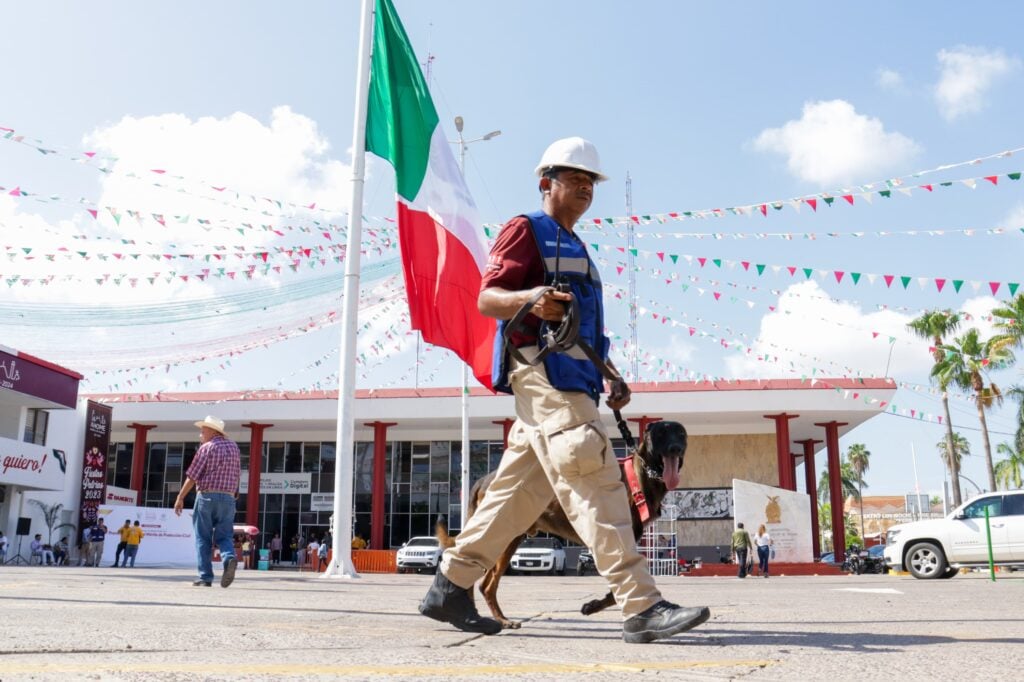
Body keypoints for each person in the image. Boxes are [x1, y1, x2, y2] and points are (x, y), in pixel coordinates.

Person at [418, 137, 710, 644]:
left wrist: (611, 375)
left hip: (574, 381)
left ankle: (451, 584)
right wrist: (531, 298)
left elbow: (587, 333)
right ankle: (640, 605)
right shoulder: (526, 229)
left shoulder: (578, 249)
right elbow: (488, 298)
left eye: (589, 183)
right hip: (543, 375)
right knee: (594, 475)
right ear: (545, 184)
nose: (584, 189)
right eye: (573, 180)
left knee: (516, 494)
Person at [173, 415, 241, 588]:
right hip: (228, 497)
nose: (200, 435)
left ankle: (205, 577)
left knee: (202, 538)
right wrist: (235, 492)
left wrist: (180, 497)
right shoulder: (234, 447)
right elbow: (237, 473)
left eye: (203, 431)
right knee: (224, 535)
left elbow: (193, 476)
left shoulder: (207, 447)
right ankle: (229, 557)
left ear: (212, 431)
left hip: (207, 496)